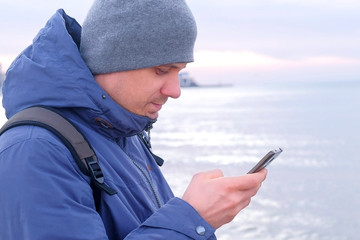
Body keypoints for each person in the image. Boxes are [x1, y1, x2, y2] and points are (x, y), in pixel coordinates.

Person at [0, 0, 267, 239]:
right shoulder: (33, 150)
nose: (175, 91)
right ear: (111, 60)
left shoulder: (123, 131)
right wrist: (193, 218)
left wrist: (197, 221)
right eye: (162, 70)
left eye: (179, 71)